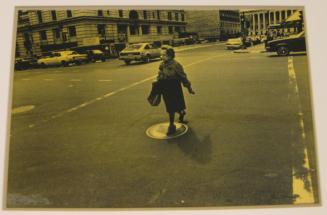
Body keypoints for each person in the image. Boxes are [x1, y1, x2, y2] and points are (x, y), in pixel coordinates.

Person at [157, 48, 195, 135]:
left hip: (174, 88)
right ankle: (181, 112)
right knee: (171, 107)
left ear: (170, 56)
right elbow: (159, 74)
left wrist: (189, 88)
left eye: (163, 55)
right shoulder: (162, 64)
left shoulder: (176, 65)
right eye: (161, 55)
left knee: (171, 108)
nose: (161, 57)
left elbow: (183, 77)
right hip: (165, 88)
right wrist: (158, 82)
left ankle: (171, 126)